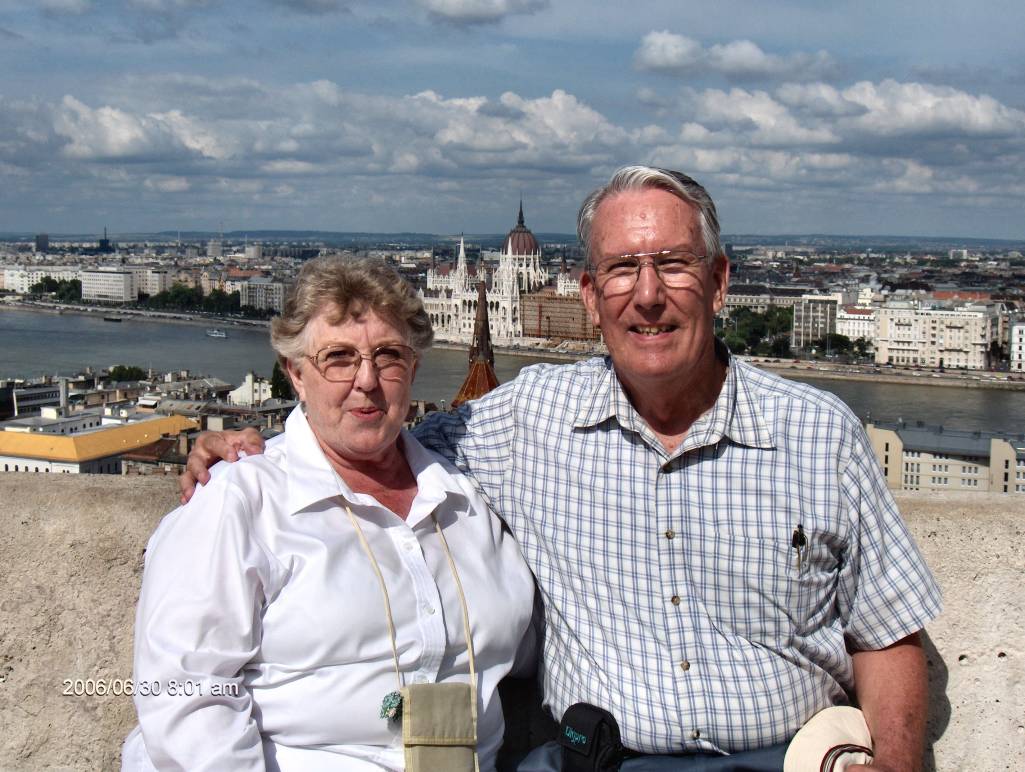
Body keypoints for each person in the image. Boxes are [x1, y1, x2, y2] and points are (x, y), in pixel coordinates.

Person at [183, 167, 941, 771]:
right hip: (600, 759)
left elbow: (886, 635)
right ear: (589, 293)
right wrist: (255, 454)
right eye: (621, 270)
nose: (647, 295)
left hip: (785, 756)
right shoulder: (528, 419)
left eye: (673, 265)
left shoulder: (819, 434)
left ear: (718, 281)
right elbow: (367, 434)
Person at [124, 257, 536, 771]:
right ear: (295, 374)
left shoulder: (466, 499)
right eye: (338, 358)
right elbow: (185, 702)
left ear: (413, 369)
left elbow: (526, 642)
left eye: (388, 356)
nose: (367, 380)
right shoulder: (240, 502)